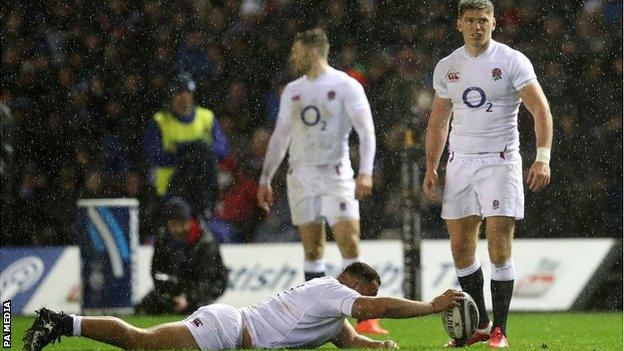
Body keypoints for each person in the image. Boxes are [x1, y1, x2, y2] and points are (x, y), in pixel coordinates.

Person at [422, 0, 553, 348]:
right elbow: (438, 120)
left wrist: (542, 157)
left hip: (501, 160)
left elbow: (540, 108)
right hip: (460, 161)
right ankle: (480, 324)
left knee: (498, 244)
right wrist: (432, 165)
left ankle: (501, 329)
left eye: (483, 20)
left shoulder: (511, 60)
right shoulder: (448, 66)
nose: (477, 26)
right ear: (459, 24)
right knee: (461, 248)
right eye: (470, 20)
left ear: (494, 23)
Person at [256, 28, 383, 334]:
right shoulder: (292, 90)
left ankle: (365, 316)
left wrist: (365, 171)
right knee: (313, 249)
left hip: (336, 173)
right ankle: (317, 316)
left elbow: (366, 130)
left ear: (312, 52)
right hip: (301, 175)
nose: (293, 56)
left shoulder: (345, 85)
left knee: (349, 242)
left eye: (297, 51)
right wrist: (265, 177)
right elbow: (280, 137)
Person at [23, 262, 464, 351]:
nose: (366, 299)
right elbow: (380, 309)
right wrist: (432, 306)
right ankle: (59, 321)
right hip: (230, 329)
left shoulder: (331, 318)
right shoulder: (330, 287)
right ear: (352, 281)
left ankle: (61, 323)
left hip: (236, 335)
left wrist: (380, 350)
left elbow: (350, 343)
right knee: (142, 343)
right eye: (366, 290)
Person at [143, 72, 229, 217]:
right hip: (170, 191)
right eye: (179, 92)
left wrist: (198, 152)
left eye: (187, 92)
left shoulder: (207, 118)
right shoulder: (160, 121)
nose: (184, 97)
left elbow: (223, 150)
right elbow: (155, 156)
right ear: (172, 95)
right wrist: (184, 156)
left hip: (201, 190)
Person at [135, 197, 228, 315]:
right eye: (173, 223)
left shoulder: (205, 242)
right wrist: (168, 296)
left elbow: (208, 280)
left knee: (200, 310)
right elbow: (157, 272)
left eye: (181, 222)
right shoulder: (163, 238)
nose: (177, 228)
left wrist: (188, 298)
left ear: (188, 221)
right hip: (177, 288)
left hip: (204, 289)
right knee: (145, 306)